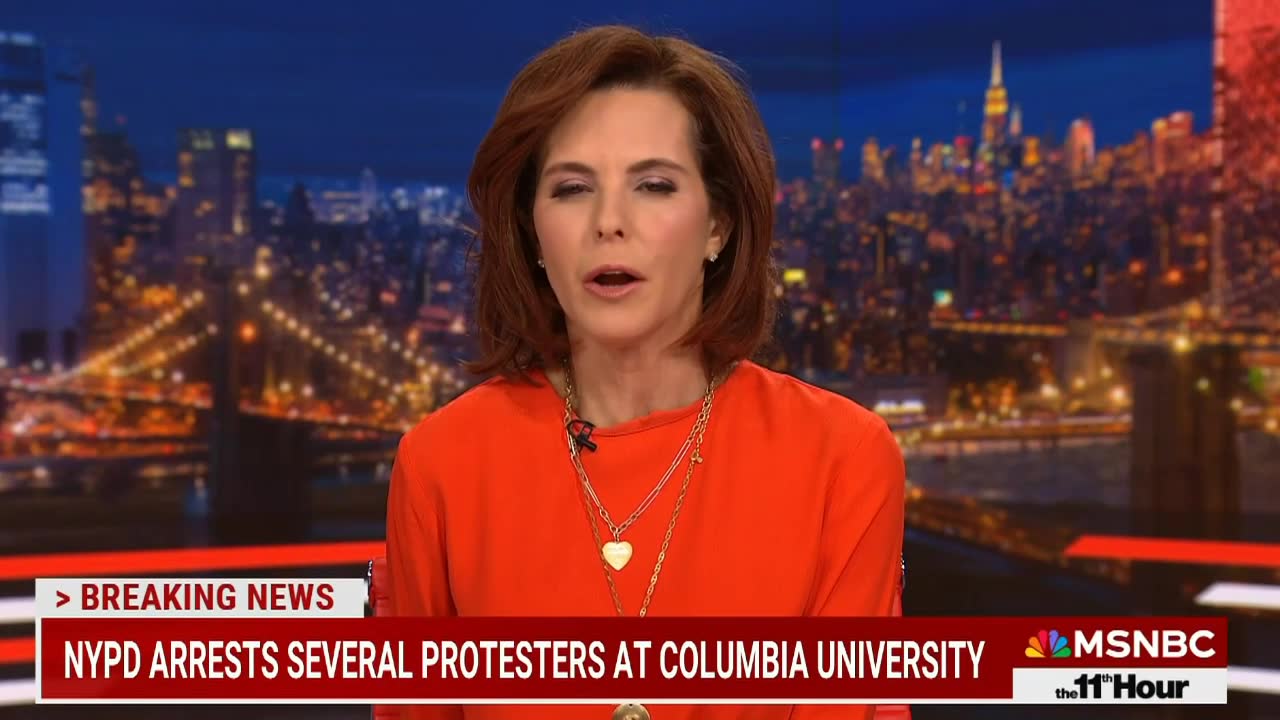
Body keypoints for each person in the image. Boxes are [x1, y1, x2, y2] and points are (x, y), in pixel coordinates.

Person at [386, 24, 906, 720]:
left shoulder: (843, 459)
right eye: (572, 188)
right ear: (532, 232)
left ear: (718, 225)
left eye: (654, 185)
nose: (609, 222)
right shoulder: (441, 464)